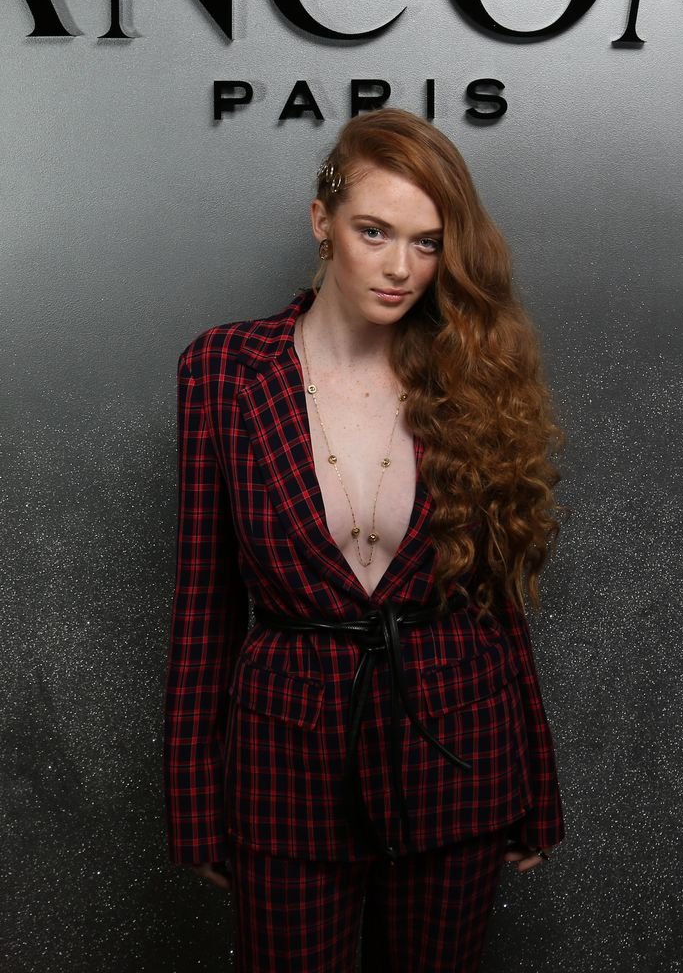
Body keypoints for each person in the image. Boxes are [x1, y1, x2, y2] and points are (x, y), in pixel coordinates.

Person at [163, 109, 568, 971]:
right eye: (374, 231)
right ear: (323, 220)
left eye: (427, 243)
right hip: (287, 759)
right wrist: (193, 800)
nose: (399, 268)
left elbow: (497, 601)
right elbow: (204, 602)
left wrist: (536, 779)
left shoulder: (469, 374)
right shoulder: (224, 371)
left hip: (458, 748)